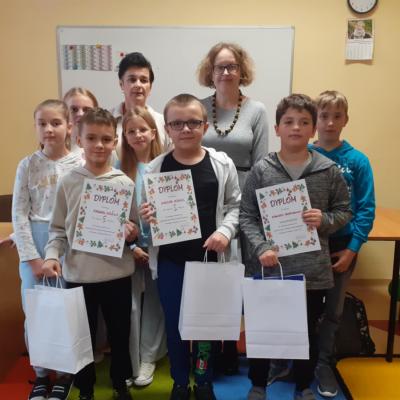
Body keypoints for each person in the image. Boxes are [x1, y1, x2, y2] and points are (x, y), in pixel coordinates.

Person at [239, 94, 351, 400]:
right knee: (263, 326)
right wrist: (261, 247)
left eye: (304, 122)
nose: (296, 128)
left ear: (313, 129)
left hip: (311, 271)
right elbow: (247, 215)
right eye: (288, 122)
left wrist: (324, 219)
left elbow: (344, 211)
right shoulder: (262, 169)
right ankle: (258, 382)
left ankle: (303, 385)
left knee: (306, 331)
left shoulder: (328, 170)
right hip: (268, 266)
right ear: (277, 129)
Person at [140, 94, 241, 400]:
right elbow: (145, 226)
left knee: (206, 326)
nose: (185, 129)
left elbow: (236, 206)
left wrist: (225, 231)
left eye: (193, 122)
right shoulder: (155, 169)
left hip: (209, 261)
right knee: (175, 324)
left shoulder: (221, 164)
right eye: (177, 123)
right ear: (167, 129)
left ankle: (204, 380)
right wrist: (147, 218)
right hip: (171, 261)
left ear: (205, 126)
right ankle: (181, 382)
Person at [42, 108, 139, 400]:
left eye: (106, 139)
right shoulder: (68, 182)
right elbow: (57, 229)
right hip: (79, 274)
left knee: (120, 333)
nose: (99, 145)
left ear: (115, 142)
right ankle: (85, 388)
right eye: (92, 138)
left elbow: (135, 230)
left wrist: (132, 234)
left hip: (117, 274)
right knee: (82, 337)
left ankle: (120, 383)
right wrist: (51, 256)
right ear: (79, 140)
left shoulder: (124, 183)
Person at [198, 41, 269, 375]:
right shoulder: (198, 108)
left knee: (245, 278)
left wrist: (251, 212)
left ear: (242, 71)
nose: (226, 72)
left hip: (244, 200)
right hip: (206, 201)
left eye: (232, 66)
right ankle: (215, 351)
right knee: (213, 277)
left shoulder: (257, 111)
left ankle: (247, 353)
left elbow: (261, 165)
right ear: (210, 72)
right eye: (220, 67)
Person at [12, 99, 82, 400]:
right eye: (42, 123)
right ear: (36, 127)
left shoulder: (80, 163)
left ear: (69, 126)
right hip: (35, 244)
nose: (49, 129)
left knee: (65, 311)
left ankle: (65, 374)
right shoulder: (27, 165)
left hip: (69, 244)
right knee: (36, 311)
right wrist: (32, 259)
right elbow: (19, 213)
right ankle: (41, 374)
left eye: (56, 123)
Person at [310, 90, 375, 397]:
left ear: (346, 120)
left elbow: (366, 208)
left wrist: (352, 249)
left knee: (333, 310)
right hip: (308, 246)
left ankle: (324, 363)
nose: (330, 123)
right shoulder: (303, 155)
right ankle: (297, 360)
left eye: (337, 116)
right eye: (324, 116)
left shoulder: (357, 161)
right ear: (315, 120)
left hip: (342, 247)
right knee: (304, 308)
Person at [119, 107, 167, 386]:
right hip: (130, 251)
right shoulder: (118, 170)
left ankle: (149, 357)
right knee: (131, 306)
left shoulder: (167, 166)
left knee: (155, 305)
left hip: (160, 249)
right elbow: (112, 216)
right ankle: (131, 361)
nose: (137, 135)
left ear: (153, 132)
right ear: (124, 136)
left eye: (142, 129)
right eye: (131, 131)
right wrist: (132, 246)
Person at [111, 51, 170, 159]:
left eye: (143, 80)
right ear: (121, 84)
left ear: (150, 87)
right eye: (132, 80)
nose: (138, 85)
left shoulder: (163, 123)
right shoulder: (107, 120)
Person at [63, 87, 99, 153]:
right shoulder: (53, 149)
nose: (80, 114)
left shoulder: (105, 149)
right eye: (74, 109)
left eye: (86, 110)